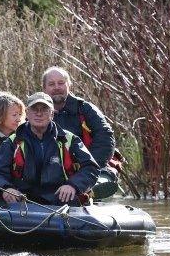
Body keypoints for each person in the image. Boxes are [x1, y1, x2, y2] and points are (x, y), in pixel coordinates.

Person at [0, 92, 99, 206]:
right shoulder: (12, 141)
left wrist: (73, 185)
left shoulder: (70, 139)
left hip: (62, 202)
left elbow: (91, 168)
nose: (39, 113)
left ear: (52, 114)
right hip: (21, 202)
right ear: (27, 113)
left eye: (44, 109)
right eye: (34, 109)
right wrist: (6, 188)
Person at [42, 66, 120, 199]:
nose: (57, 87)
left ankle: (89, 191)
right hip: (49, 171)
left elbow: (105, 138)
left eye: (61, 83)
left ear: (69, 85)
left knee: (101, 175)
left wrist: (89, 167)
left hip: (85, 167)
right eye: (51, 84)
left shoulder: (86, 109)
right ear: (44, 88)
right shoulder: (36, 112)